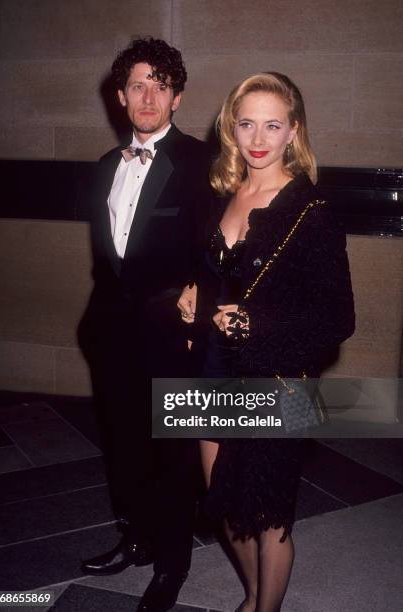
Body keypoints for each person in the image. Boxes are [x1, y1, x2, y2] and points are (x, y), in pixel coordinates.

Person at [178, 72, 355, 611]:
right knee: (225, 503)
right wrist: (195, 294)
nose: (258, 138)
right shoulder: (225, 194)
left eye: (272, 125)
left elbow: (337, 316)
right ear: (232, 127)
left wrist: (258, 324)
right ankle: (253, 595)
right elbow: (221, 274)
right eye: (247, 122)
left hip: (277, 376)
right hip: (213, 367)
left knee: (268, 513)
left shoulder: (310, 210)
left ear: (292, 131)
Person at [79, 37, 212, 612]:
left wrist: (199, 299)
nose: (149, 96)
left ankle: (173, 563)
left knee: (173, 452)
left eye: (161, 85)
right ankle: (136, 536)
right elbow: (109, 257)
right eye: (138, 85)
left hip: (172, 335)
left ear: (178, 97)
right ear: (120, 96)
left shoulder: (205, 161)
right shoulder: (106, 166)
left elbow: (220, 249)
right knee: (123, 445)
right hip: (111, 333)